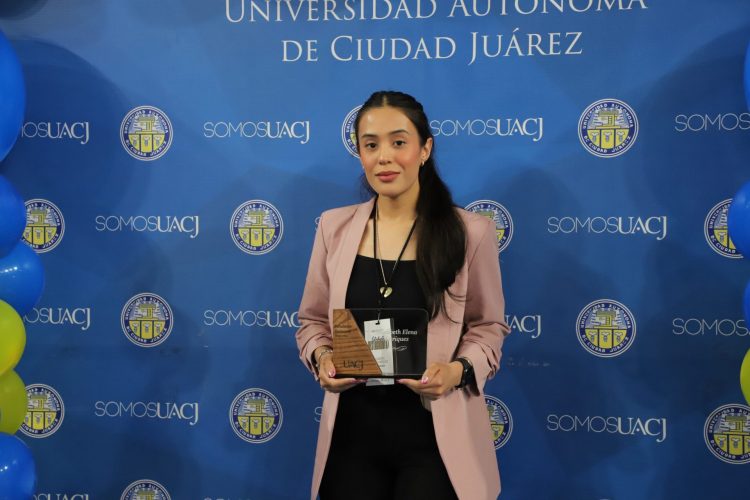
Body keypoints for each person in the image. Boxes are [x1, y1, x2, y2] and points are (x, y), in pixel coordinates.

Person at [296, 90, 510, 500]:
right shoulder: (333, 228)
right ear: (359, 153)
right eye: (371, 145)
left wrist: (457, 371)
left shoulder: (470, 232)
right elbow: (312, 322)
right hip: (351, 435)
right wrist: (322, 359)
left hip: (436, 439)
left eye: (399, 142)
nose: (384, 157)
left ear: (425, 149)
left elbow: (488, 327)